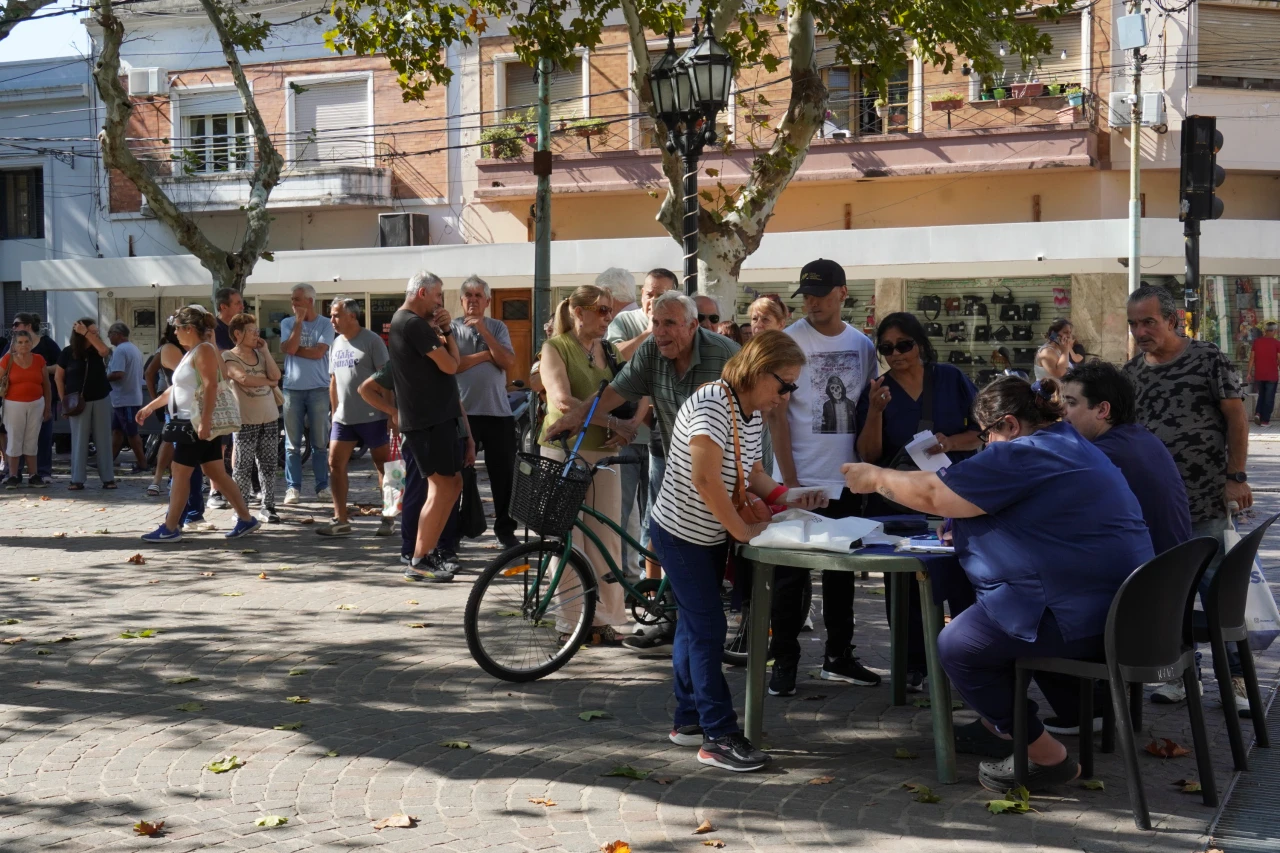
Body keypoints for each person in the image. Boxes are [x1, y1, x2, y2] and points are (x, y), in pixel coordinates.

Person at [841, 376, 1155, 792]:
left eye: (989, 435)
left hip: (1081, 614)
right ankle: (1004, 725)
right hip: (1124, 607)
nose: (987, 444)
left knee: (960, 645)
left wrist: (875, 478)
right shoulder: (1070, 442)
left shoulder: (1025, 452)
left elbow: (935, 494)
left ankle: (1047, 758)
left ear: (1008, 425)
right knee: (985, 618)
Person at [650, 330, 825, 772]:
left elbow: (753, 474)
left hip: (706, 536)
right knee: (708, 628)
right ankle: (718, 734)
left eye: (792, 387)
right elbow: (705, 480)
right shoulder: (711, 404)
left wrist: (789, 496)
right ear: (756, 370)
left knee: (694, 627)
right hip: (681, 534)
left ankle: (688, 719)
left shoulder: (747, 412)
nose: (786, 396)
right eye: (783, 384)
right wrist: (745, 533)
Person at [547, 291, 741, 651]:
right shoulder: (652, 350)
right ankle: (671, 620)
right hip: (677, 462)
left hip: (726, 466)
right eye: (655, 322)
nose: (660, 331)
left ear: (693, 325)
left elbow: (752, 413)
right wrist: (573, 419)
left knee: (726, 550)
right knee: (670, 542)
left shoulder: (724, 354)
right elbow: (613, 393)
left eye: (669, 323)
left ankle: (740, 628)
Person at [1123, 283, 1252, 706]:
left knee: (1216, 591)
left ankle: (1234, 681)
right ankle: (1182, 676)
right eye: (1134, 324)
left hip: (1204, 497)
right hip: (1155, 506)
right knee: (1169, 592)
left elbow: (1236, 417)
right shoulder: (1131, 373)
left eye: (1149, 321)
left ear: (1173, 320)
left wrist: (1236, 475)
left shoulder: (1207, 357)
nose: (1141, 331)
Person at [766, 258, 879, 696]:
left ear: (842, 294)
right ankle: (785, 662)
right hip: (797, 476)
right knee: (789, 578)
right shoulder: (787, 340)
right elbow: (776, 417)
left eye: (820, 294)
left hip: (846, 478)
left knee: (841, 574)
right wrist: (791, 484)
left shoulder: (862, 345)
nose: (811, 302)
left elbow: (868, 410)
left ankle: (839, 656)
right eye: (806, 295)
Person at [855, 311, 981, 691]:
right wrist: (875, 411)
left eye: (904, 345)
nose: (897, 354)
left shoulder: (950, 379)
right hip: (900, 500)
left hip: (950, 495)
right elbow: (868, 455)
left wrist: (951, 442)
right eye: (887, 348)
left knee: (960, 578)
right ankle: (912, 665)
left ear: (920, 344)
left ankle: (968, 660)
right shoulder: (878, 390)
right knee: (905, 583)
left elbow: (982, 431)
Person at [538, 284, 637, 644]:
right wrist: (613, 423)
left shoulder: (609, 350)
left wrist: (633, 425)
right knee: (566, 537)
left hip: (605, 454)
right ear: (578, 312)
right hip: (564, 450)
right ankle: (571, 622)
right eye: (601, 310)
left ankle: (606, 618)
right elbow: (563, 401)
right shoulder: (555, 347)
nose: (608, 317)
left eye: (610, 310)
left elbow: (634, 390)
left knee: (607, 536)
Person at [135, 306, 260, 542]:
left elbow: (211, 385)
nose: (175, 333)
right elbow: (179, 388)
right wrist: (151, 406)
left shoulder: (202, 350)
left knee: (180, 472)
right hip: (194, 422)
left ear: (189, 328)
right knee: (217, 473)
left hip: (195, 423)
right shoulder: (194, 351)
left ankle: (170, 527)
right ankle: (246, 518)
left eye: (177, 329)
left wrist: (204, 423)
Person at [390, 271, 473, 582]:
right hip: (427, 422)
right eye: (438, 295)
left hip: (437, 419)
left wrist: (447, 328)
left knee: (452, 486)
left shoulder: (416, 325)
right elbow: (453, 365)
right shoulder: (411, 323)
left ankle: (428, 553)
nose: (441, 302)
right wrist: (447, 332)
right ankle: (419, 557)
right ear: (423, 293)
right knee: (439, 488)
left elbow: (453, 363)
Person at [359, 359, 466, 569]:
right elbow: (366, 389)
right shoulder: (403, 357)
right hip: (418, 437)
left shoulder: (447, 360)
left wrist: (468, 438)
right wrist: (393, 412)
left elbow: (457, 402)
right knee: (418, 494)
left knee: (450, 492)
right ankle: (411, 551)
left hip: (452, 434)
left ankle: (444, 549)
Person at [607, 268, 676, 578]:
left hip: (664, 439)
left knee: (657, 514)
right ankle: (624, 577)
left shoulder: (681, 325)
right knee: (622, 512)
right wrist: (651, 332)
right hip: (626, 437)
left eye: (662, 294)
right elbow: (616, 358)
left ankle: (653, 583)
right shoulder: (625, 321)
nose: (654, 300)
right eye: (650, 294)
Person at [452, 275, 520, 549]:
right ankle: (454, 532)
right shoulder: (452, 329)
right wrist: (484, 356)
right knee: (458, 476)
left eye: (478, 295)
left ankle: (505, 531)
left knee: (503, 477)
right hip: (464, 414)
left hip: (498, 414)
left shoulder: (497, 326)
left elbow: (508, 361)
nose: (473, 300)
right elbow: (452, 365)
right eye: (468, 295)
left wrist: (484, 331)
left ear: (488, 301)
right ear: (461, 300)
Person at [317, 297, 391, 537]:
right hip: (343, 419)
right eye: (331, 315)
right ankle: (341, 519)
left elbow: (387, 378)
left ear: (352, 316)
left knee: (385, 466)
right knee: (334, 463)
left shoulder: (372, 340)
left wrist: (392, 415)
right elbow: (334, 381)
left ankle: (389, 517)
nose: (332, 320)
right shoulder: (336, 343)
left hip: (375, 416)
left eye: (336, 315)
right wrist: (334, 412)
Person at [221, 313, 283, 524]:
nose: (257, 334)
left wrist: (265, 350)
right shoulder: (228, 356)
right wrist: (269, 382)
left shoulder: (261, 353)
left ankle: (268, 506)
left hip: (270, 417)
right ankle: (241, 508)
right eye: (252, 331)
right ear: (238, 334)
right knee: (243, 465)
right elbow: (243, 378)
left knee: (268, 464)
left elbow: (276, 376)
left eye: (257, 331)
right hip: (245, 419)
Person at [280, 283, 335, 504]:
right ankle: (293, 488)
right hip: (292, 389)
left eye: (297, 300)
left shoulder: (326, 324)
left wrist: (295, 350)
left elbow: (318, 352)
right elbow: (290, 348)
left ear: (310, 301)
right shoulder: (287, 322)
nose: (293, 303)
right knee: (292, 444)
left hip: (319, 389)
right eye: (292, 299)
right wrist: (299, 323)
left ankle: (322, 487)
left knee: (320, 443)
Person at [56, 318, 115, 490]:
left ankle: (108, 478)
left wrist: (88, 333)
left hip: (101, 397)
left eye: (96, 332)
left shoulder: (98, 350)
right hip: (77, 402)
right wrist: (63, 401)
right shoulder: (68, 353)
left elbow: (105, 351)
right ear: (80, 334)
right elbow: (59, 377)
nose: (95, 334)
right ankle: (77, 479)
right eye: (92, 332)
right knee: (79, 440)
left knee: (103, 439)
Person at [5, 313, 59, 482]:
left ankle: (38, 473)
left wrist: (48, 406)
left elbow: (52, 377)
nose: (24, 345)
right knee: (15, 438)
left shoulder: (42, 352)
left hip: (38, 401)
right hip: (14, 403)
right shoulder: (10, 354)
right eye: (20, 342)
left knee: (37, 438)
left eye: (16, 324)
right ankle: (14, 474)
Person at [106, 322, 148, 473]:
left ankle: (143, 463)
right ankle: (107, 461)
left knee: (131, 433)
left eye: (110, 333)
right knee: (117, 431)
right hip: (124, 398)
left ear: (118, 334)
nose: (108, 337)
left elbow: (118, 373)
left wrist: (102, 378)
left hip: (126, 399)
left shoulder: (121, 351)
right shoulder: (133, 349)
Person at [1247, 320, 1280, 426]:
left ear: (1265, 330)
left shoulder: (1257, 342)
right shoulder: (1277, 343)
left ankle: (1258, 413)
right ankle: (1265, 421)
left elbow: (1252, 358)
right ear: (1274, 331)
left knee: (1261, 395)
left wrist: (1249, 373)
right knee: (1269, 398)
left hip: (1259, 374)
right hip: (1272, 375)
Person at [214, 287, 244, 351]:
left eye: (241, 303)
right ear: (223, 307)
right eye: (237, 303)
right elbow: (223, 354)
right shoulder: (213, 329)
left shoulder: (242, 327)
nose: (242, 307)